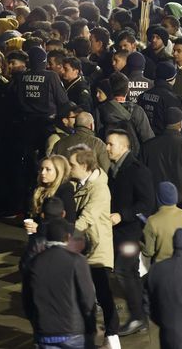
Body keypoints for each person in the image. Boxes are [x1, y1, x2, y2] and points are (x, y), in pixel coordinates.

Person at [69, 144, 119, 348]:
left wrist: (63, 234)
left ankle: (112, 335)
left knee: (103, 291)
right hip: (84, 246)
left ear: (84, 166)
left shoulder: (99, 188)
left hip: (96, 247)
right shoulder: (77, 182)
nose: (69, 167)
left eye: (72, 164)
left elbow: (87, 217)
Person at [105, 129, 154, 337]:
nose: (107, 148)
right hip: (118, 231)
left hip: (131, 231)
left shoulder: (137, 170)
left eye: (111, 144)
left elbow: (146, 203)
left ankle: (138, 317)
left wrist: (121, 215)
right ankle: (140, 314)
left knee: (125, 271)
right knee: (128, 272)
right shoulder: (113, 169)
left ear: (124, 146)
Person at [22, 218, 97, 349]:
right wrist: (91, 327)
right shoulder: (77, 261)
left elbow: (27, 300)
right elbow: (87, 298)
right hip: (74, 331)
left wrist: (36, 325)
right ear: (68, 237)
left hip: (44, 332)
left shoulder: (34, 263)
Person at [29, 155, 77, 228]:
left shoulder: (65, 190)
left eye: (48, 169)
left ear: (59, 171)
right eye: (41, 169)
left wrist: (39, 227)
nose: (42, 172)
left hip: (54, 237)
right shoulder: (39, 187)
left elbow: (69, 222)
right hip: (37, 235)